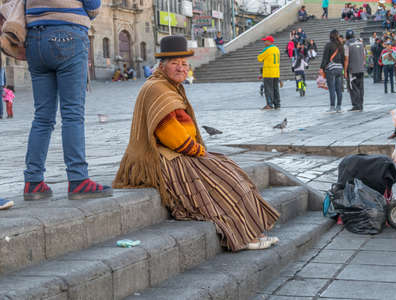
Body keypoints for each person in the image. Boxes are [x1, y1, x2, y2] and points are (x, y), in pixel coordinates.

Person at [113, 36, 280, 251]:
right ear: (162, 66)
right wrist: (199, 152)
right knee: (219, 183)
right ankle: (243, 236)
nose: (181, 68)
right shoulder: (157, 89)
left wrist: (200, 152)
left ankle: (252, 232)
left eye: (184, 63)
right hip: (163, 157)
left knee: (229, 171)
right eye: (175, 63)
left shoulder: (168, 85)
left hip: (178, 151)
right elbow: (169, 133)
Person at [24, 0, 113, 201]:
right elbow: (93, 6)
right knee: (72, 114)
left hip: (34, 39)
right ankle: (78, 179)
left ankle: (33, 182)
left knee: (42, 117)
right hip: (67, 36)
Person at [320, 29, 345, 113]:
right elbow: (343, 58)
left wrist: (322, 68)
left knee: (332, 89)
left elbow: (325, 58)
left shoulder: (328, 45)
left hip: (331, 69)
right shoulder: (340, 45)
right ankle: (339, 107)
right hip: (339, 68)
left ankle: (332, 107)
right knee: (339, 89)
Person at [344, 30, 365, 112]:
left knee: (353, 87)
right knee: (361, 87)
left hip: (352, 69)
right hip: (361, 68)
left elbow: (346, 59)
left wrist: (345, 71)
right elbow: (364, 55)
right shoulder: (360, 43)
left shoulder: (347, 45)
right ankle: (361, 104)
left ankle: (356, 105)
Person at [258, 35, 281, 110]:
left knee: (268, 89)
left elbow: (259, 58)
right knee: (275, 89)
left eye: (265, 41)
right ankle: (277, 104)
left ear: (269, 42)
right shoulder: (277, 49)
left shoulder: (267, 50)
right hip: (276, 72)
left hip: (268, 72)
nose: (264, 42)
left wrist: (264, 50)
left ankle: (269, 105)